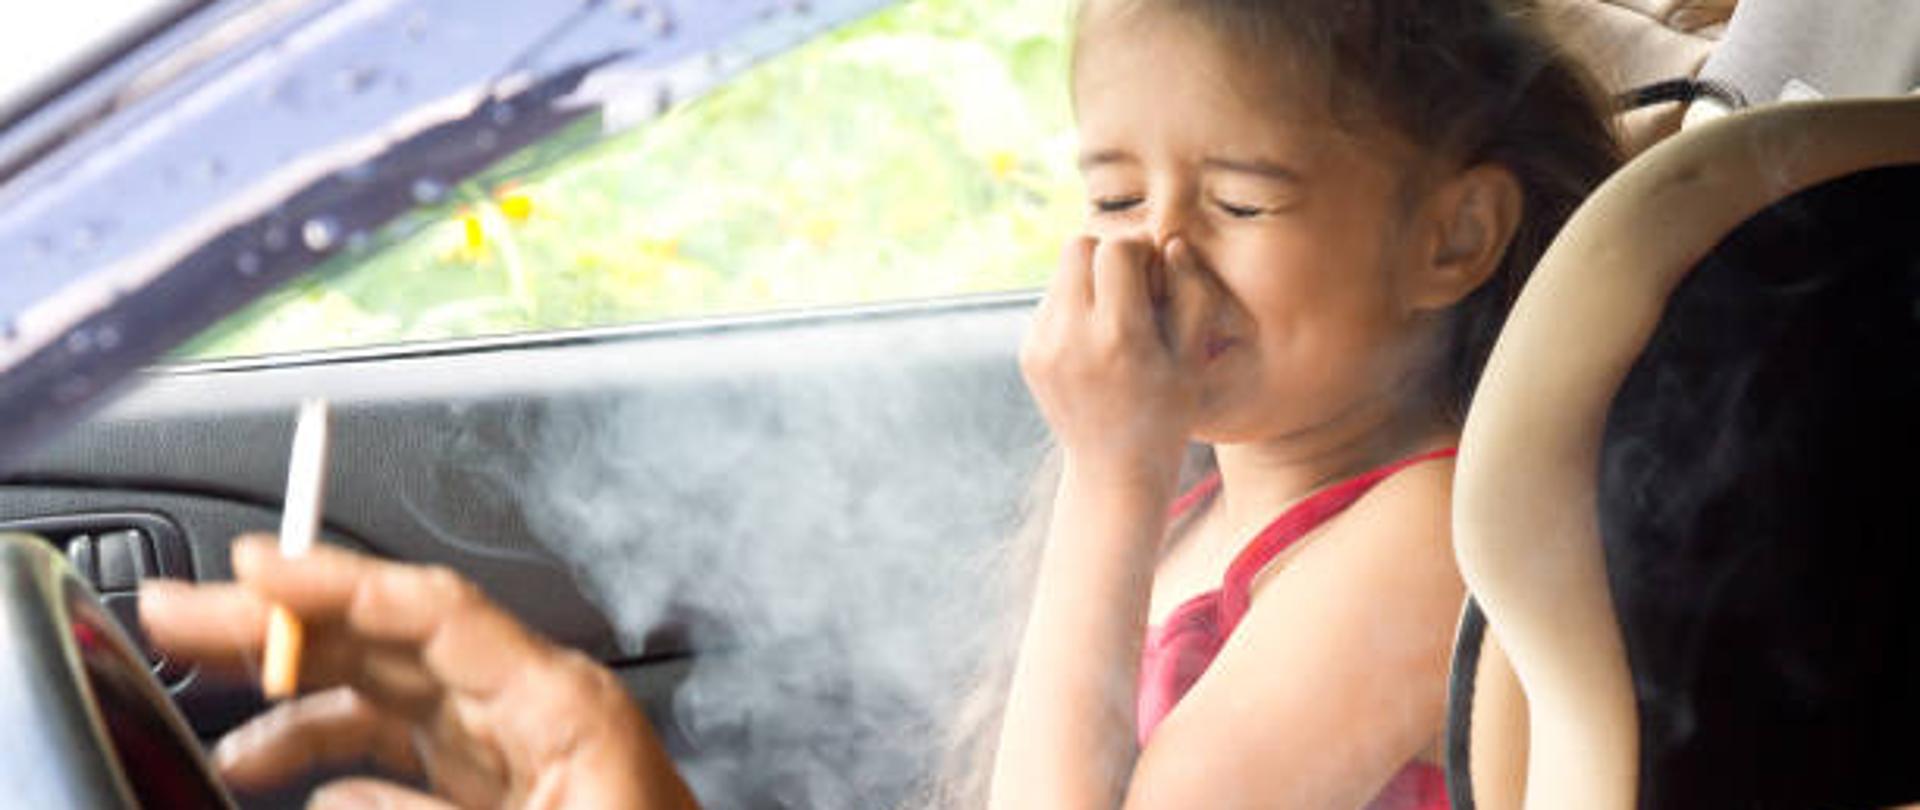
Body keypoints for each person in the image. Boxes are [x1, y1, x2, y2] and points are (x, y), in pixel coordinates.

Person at [139, 0, 1618, 806]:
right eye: (1114, 196)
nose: (1155, 254)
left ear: (1452, 239)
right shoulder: (1202, 500)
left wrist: (1110, 469)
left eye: (1238, 202)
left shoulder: (1423, 539)